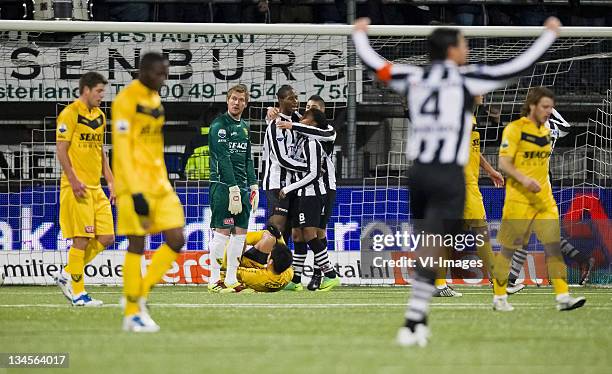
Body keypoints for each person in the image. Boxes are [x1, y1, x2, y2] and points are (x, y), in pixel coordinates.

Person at [352, 16, 561, 347]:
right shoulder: (467, 79)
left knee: (429, 244)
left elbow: (376, 65)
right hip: (449, 174)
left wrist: (359, 35)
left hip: (419, 172)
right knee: (437, 246)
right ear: (451, 49)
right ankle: (415, 319)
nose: (468, 48)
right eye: (463, 43)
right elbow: (517, 67)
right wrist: (549, 35)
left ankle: (415, 321)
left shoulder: (413, 76)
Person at [493, 87, 586, 312]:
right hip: (519, 198)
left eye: (551, 107)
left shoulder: (548, 130)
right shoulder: (514, 129)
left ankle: (563, 296)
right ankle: (499, 298)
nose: (549, 111)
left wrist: (551, 113)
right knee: (508, 249)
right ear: (532, 106)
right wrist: (524, 180)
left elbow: (564, 128)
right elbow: (504, 163)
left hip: (544, 198)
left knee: (552, 246)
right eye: (545, 107)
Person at [112, 52, 186, 333]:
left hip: (160, 183)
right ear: (143, 71)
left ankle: (138, 294)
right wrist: (134, 191)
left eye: (165, 73)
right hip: (135, 185)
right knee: (137, 244)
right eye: (158, 73)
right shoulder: (125, 101)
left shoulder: (156, 100)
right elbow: (122, 149)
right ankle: (132, 313)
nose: (163, 78)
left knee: (177, 238)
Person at [506, 108, 594, 293]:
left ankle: (510, 280)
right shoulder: (553, 126)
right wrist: (553, 111)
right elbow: (567, 127)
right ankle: (582, 259)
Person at [54, 71, 115, 307]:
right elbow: (61, 149)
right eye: (99, 91)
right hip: (75, 187)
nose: (102, 96)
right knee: (81, 239)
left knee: (108, 236)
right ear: (86, 90)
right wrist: (73, 178)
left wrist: (110, 180)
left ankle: (68, 272)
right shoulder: (69, 114)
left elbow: (100, 151)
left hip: (96, 187)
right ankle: (79, 294)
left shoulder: (99, 116)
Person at [433, 95, 503, 297]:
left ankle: (439, 284)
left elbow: (473, 150)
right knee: (480, 229)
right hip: (461, 183)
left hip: (465, 181)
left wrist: (490, 170)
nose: (482, 94)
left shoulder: (469, 118)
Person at [274, 95, 337, 291]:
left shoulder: (323, 134)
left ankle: (328, 274)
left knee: (314, 232)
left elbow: (313, 173)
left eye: (311, 109)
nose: (303, 115)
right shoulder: (304, 138)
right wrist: (274, 114)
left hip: (318, 190)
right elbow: (296, 120)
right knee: (297, 234)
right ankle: (296, 279)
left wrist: (289, 188)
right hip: (302, 190)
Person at [207, 84, 259, 293]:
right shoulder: (219, 125)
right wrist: (233, 188)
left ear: (246, 103)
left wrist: (254, 184)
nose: (237, 103)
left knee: (240, 233)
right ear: (227, 100)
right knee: (222, 232)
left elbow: (247, 158)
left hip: (243, 188)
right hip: (223, 187)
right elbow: (222, 157)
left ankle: (231, 280)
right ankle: (213, 280)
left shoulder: (245, 127)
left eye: (241, 100)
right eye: (233, 99)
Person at [218, 225, 294, 292]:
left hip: (243, 268)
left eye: (269, 254)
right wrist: (279, 237)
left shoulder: (252, 276)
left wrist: (220, 267)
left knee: (240, 240)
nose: (269, 253)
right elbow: (286, 257)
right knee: (270, 237)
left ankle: (236, 236)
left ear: (270, 261)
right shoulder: (288, 274)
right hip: (261, 270)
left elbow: (229, 272)